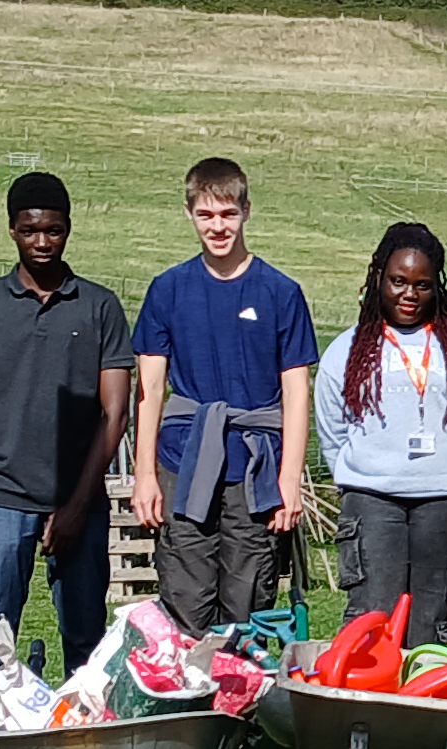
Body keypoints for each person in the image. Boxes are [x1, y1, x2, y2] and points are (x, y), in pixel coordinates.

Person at [0, 170, 131, 726]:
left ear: (68, 229)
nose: (43, 242)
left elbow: (115, 413)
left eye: (53, 230)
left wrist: (76, 507)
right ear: (12, 231)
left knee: (86, 640)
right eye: (31, 230)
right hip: (2, 499)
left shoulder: (99, 307)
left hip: (80, 498)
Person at [130, 156, 317, 633]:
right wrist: (144, 476)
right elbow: (150, 389)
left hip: (255, 469)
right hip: (184, 462)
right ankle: (190, 703)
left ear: (246, 211)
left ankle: (242, 705)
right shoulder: (168, 290)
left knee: (248, 606)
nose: (218, 227)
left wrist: (290, 480)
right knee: (185, 600)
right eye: (207, 215)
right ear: (189, 214)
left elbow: (296, 393)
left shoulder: (280, 292)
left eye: (228, 214)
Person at [316, 222, 447, 651]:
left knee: (429, 626)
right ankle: (361, 717)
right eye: (398, 281)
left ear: (438, 287)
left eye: (422, 285)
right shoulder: (347, 349)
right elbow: (332, 427)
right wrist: (360, 470)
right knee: (372, 619)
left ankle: (423, 716)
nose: (409, 294)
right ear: (379, 278)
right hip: (373, 497)